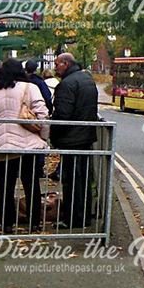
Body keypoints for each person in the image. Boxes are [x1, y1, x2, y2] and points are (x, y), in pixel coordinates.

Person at [0, 59, 49, 233]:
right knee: (31, 184)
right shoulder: (31, 88)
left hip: (3, 146)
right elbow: (43, 114)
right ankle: (34, 223)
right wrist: (43, 137)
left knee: (5, 186)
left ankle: (7, 223)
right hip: (29, 147)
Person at [50, 53, 99, 229]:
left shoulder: (67, 84)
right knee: (84, 180)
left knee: (71, 182)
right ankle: (84, 217)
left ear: (66, 63)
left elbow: (62, 114)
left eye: (57, 64)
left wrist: (53, 136)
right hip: (86, 137)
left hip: (71, 139)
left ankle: (72, 219)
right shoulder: (87, 80)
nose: (55, 67)